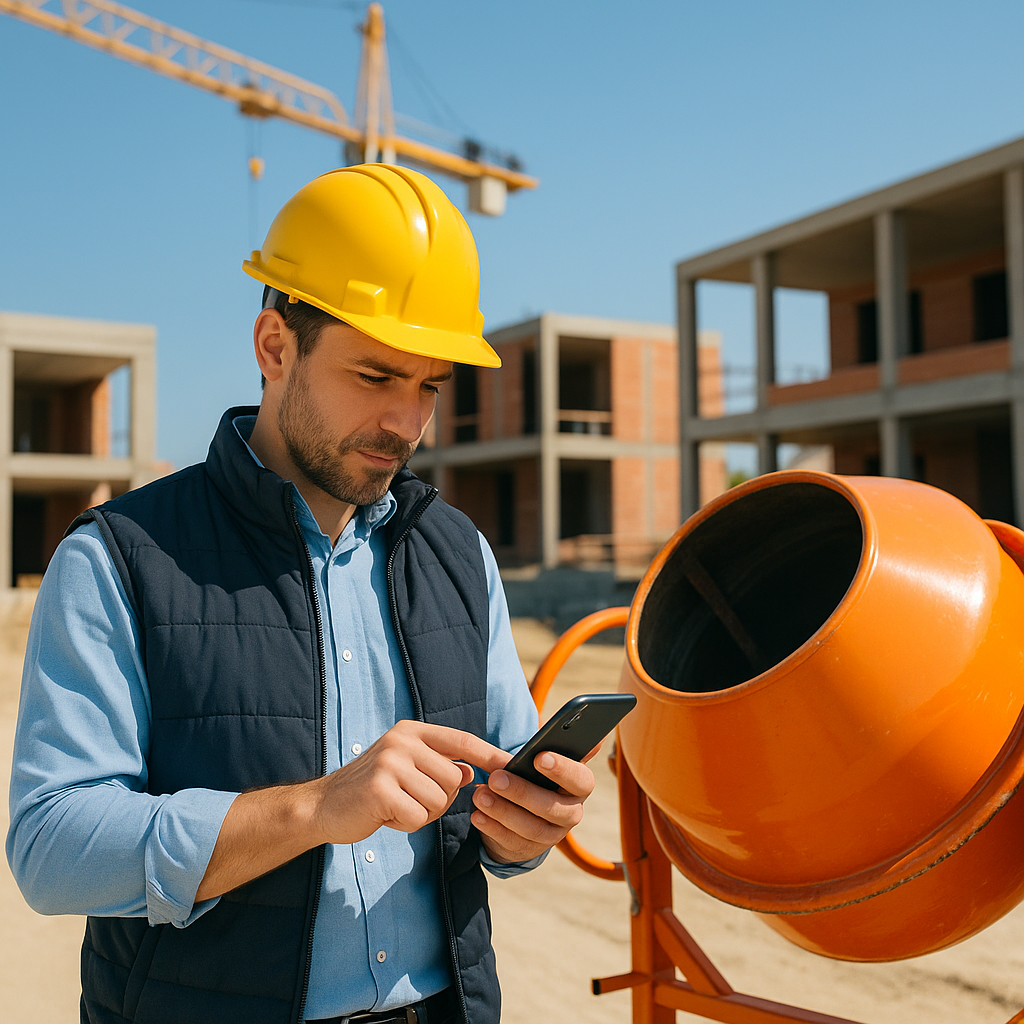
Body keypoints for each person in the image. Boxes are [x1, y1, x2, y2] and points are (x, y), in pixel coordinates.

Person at [7, 164, 596, 1024]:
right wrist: (317, 808)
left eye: (429, 386)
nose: (406, 422)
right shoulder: (119, 558)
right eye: (376, 377)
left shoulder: (462, 554)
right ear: (275, 346)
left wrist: (525, 830)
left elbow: (500, 812)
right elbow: (51, 849)